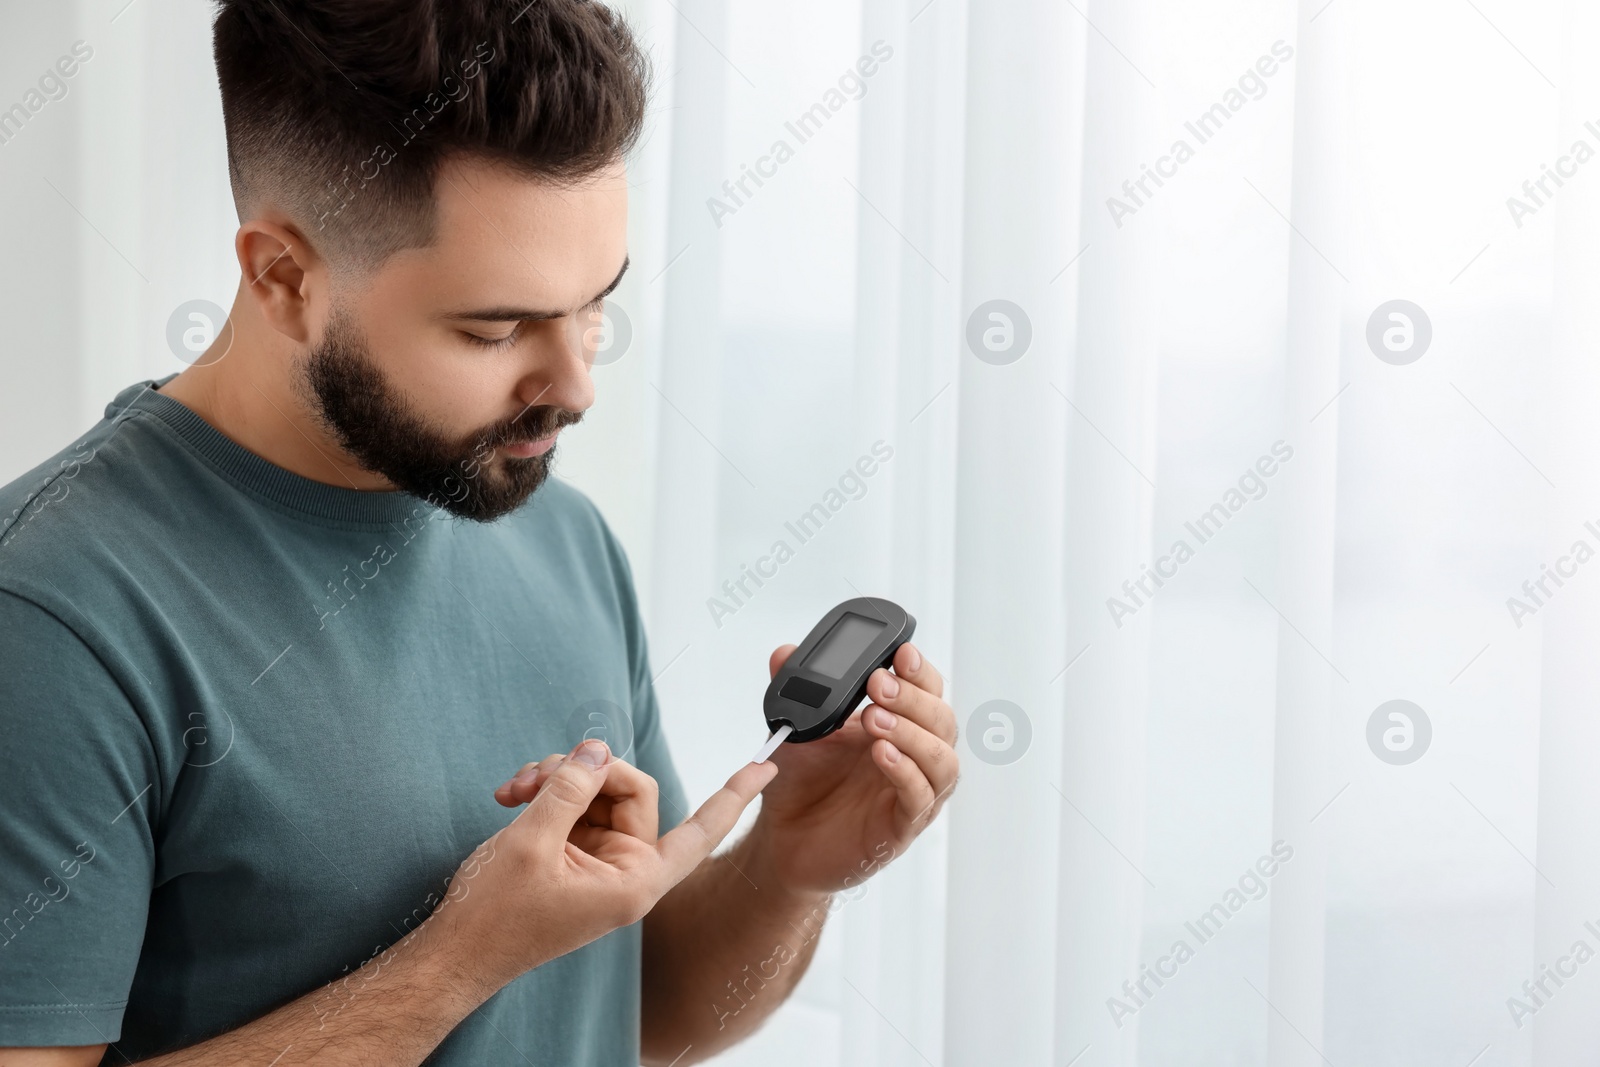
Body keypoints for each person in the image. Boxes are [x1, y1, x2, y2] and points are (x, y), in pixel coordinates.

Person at [0, 2, 959, 1064]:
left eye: (595, 306)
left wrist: (788, 870)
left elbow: (647, 1019)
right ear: (282, 276)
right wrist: (457, 960)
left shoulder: (562, 533)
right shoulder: (50, 622)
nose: (578, 384)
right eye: (495, 329)